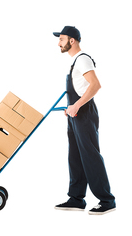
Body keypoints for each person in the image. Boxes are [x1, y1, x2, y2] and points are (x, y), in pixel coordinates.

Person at [53, 26, 116, 215]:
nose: (59, 43)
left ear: (72, 40)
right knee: (75, 156)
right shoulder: (74, 62)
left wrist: (77, 105)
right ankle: (76, 198)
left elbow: (95, 85)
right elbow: (80, 88)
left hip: (84, 113)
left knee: (90, 156)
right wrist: (70, 107)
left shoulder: (83, 59)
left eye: (62, 39)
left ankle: (107, 200)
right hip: (75, 114)